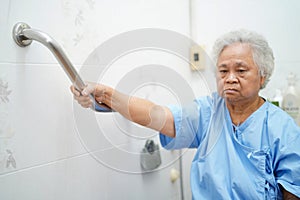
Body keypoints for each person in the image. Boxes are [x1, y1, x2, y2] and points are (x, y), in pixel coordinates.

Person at [70, 29, 300, 199]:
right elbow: (156, 114)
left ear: (262, 76)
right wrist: (106, 94)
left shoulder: (282, 128)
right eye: (223, 71)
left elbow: (292, 192)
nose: (230, 78)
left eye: (240, 70)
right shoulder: (207, 112)